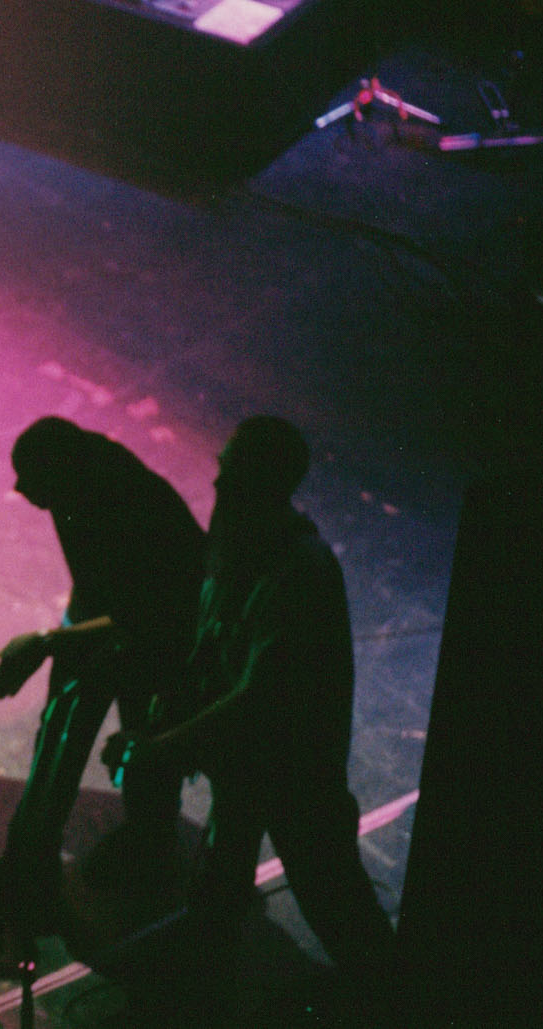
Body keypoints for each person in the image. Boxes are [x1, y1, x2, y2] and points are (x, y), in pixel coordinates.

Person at [102, 417, 401, 1019]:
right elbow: (209, 641)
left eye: (231, 468)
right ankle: (200, 991)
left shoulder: (300, 570)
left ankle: (396, 1001)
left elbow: (258, 700)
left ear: (262, 480)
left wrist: (162, 747)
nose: (217, 479)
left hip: (294, 773)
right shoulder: (239, 542)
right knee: (221, 882)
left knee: (333, 899)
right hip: (247, 765)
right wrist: (166, 716)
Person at [0, 416, 205, 946]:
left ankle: (149, 843)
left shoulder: (127, 502)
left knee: (143, 741)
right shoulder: (74, 482)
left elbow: (147, 614)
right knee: (59, 736)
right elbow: (97, 578)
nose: (19, 489)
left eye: (30, 478)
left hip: (165, 634)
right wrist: (64, 641)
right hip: (114, 614)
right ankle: (30, 861)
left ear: (61, 474)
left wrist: (48, 643)